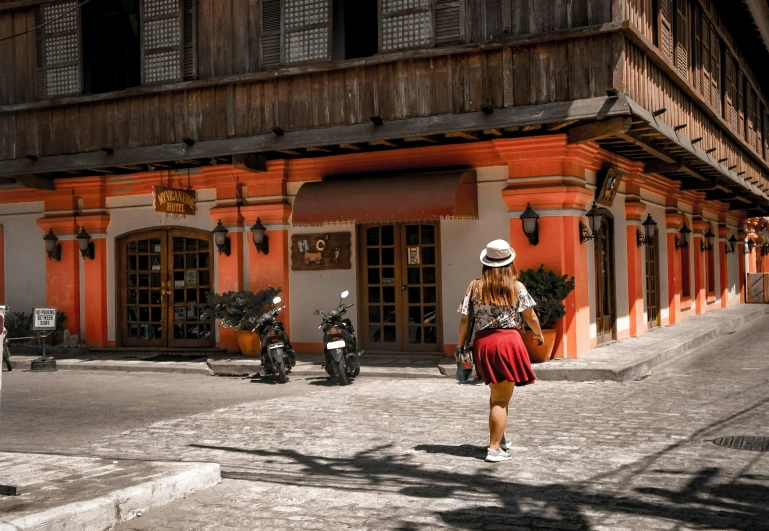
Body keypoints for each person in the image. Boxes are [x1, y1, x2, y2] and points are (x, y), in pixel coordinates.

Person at [457, 239, 544, 463]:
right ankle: (494, 449)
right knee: (501, 400)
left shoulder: (474, 286)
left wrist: (460, 346)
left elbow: (465, 320)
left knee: (496, 394)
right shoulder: (517, 286)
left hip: (484, 343)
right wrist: (538, 333)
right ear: (509, 263)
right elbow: (530, 316)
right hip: (508, 343)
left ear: (486, 263)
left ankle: (501, 438)